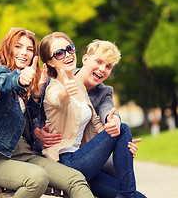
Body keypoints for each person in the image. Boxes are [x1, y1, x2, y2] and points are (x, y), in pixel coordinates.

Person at [0, 28, 94, 198]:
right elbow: (6, 82)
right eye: (18, 47)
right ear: (7, 48)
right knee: (37, 178)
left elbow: (25, 119)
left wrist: (36, 94)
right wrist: (19, 79)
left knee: (76, 179)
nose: (24, 53)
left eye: (30, 49)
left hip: (25, 155)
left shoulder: (24, 91)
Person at [39, 32, 146, 198]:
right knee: (123, 130)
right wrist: (37, 131)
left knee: (139, 196)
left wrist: (120, 137)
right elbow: (55, 99)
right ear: (85, 59)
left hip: (84, 158)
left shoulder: (89, 87)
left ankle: (128, 194)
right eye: (99, 62)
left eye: (108, 66)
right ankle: (128, 194)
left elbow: (106, 112)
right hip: (65, 162)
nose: (102, 69)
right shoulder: (51, 85)